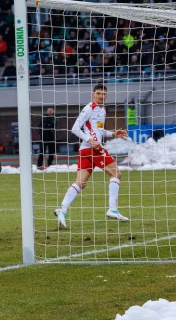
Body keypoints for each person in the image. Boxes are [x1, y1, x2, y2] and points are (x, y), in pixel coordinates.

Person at [54, 83, 129, 227]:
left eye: (103, 94)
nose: (101, 96)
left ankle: (62, 209)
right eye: (98, 93)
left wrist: (113, 133)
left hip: (85, 150)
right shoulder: (89, 108)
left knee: (81, 183)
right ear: (93, 94)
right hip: (92, 149)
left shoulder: (102, 109)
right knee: (116, 174)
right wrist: (91, 141)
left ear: (106, 95)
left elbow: (98, 131)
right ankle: (112, 209)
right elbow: (75, 128)